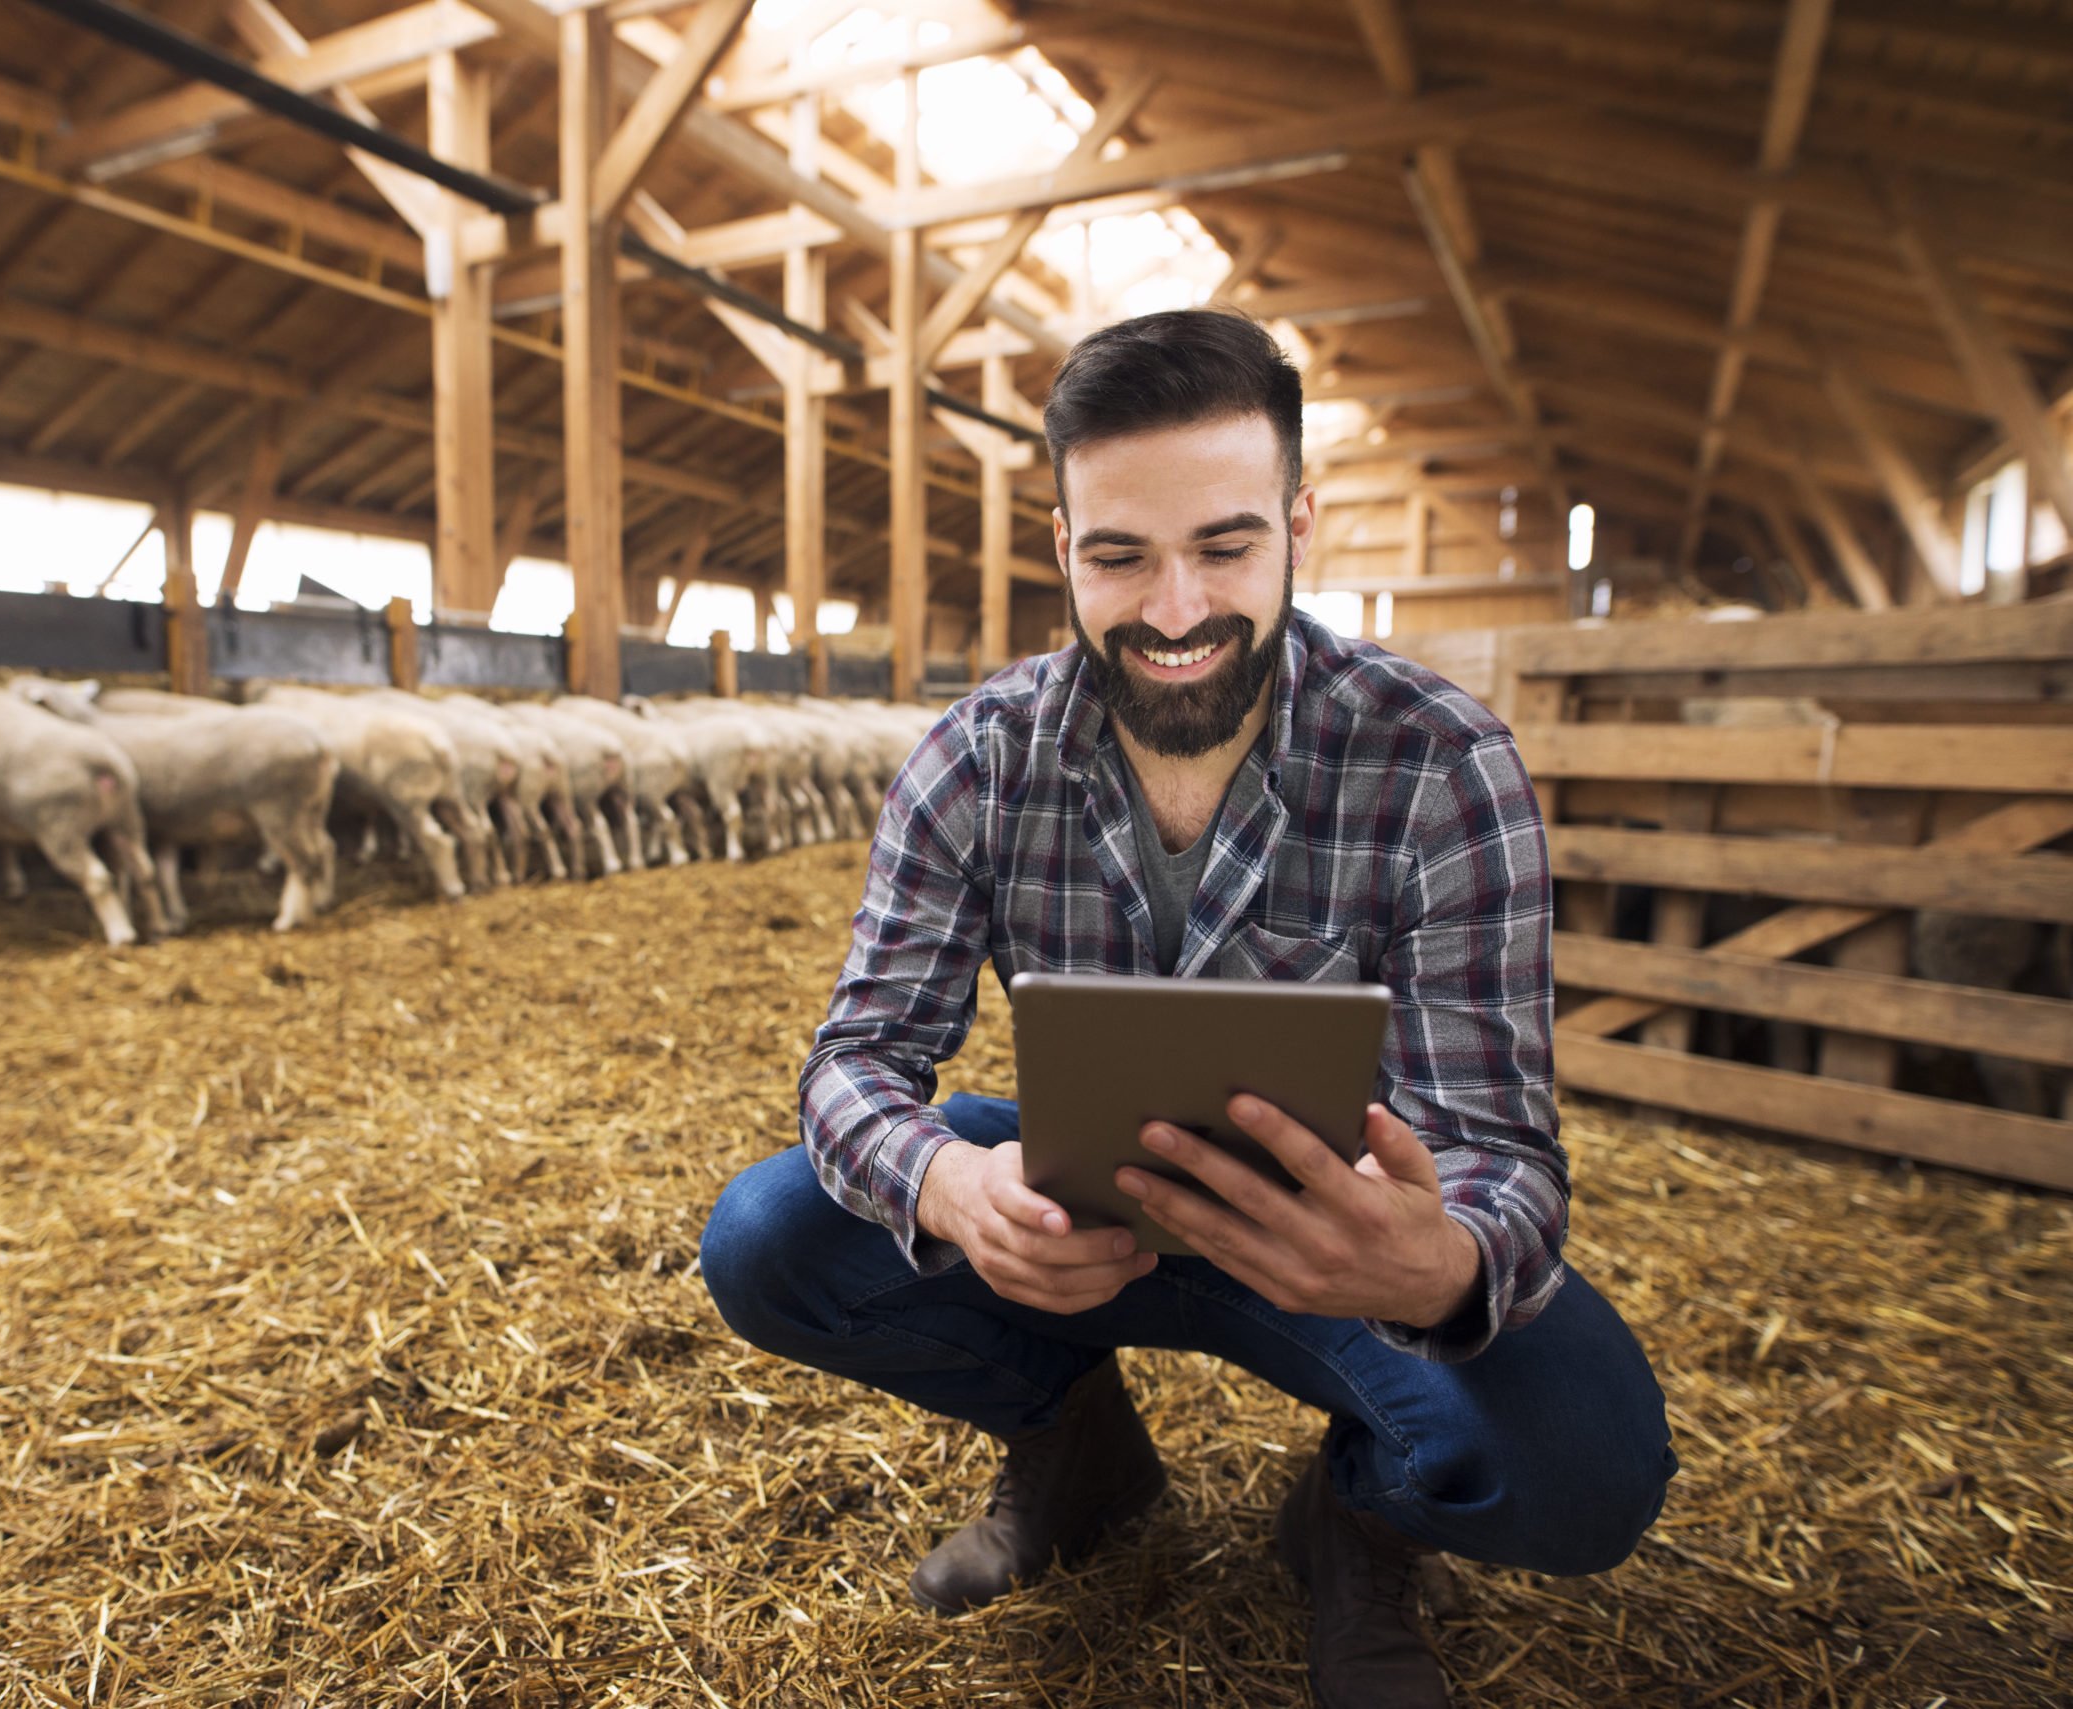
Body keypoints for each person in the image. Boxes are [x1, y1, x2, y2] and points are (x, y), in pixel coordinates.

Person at [700, 310, 1675, 1709]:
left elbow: (1504, 1152)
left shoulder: (1443, 765)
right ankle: (1077, 1446)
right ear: (1062, 547)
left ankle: (1366, 1514)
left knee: (1589, 1464)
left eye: (1224, 546)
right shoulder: (975, 758)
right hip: (1081, 1209)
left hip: (1330, 1241)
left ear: (1297, 527)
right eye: (1120, 555)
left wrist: (1441, 1264)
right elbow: (856, 1061)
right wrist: (958, 1182)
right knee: (769, 1233)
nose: (1173, 611)